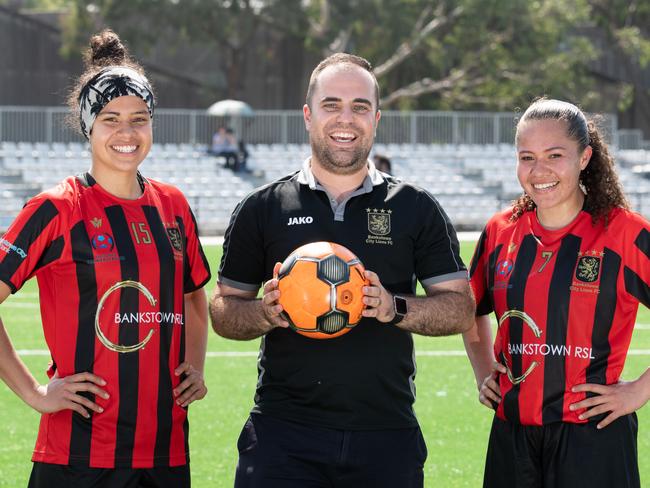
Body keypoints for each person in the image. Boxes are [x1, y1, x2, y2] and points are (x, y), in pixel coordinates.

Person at [210, 53, 474, 487]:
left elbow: (461, 309)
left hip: (385, 435)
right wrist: (264, 312)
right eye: (331, 105)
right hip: (284, 435)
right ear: (309, 115)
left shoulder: (415, 207)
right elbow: (223, 309)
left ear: (377, 117)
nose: (345, 119)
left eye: (360, 107)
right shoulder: (263, 208)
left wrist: (394, 307)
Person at [0, 30, 211, 487]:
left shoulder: (173, 206)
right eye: (111, 118)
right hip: (75, 456)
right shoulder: (56, 209)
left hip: (166, 453)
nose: (127, 132)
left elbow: (194, 295)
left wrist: (195, 364)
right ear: (88, 125)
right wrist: (35, 393)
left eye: (139, 118)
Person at [463, 98, 649, 487]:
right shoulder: (500, 232)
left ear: (584, 157)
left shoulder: (625, 234)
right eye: (526, 157)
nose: (539, 170)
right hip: (512, 437)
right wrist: (484, 371)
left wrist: (637, 392)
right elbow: (469, 309)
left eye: (554, 155)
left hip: (592, 438)